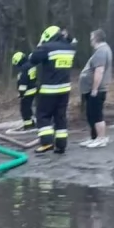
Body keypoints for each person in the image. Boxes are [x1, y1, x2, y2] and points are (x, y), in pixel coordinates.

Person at [28, 25, 78, 154]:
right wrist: (68, 37)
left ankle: (47, 143)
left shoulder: (47, 47)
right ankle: (61, 145)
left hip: (49, 90)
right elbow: (73, 42)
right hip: (64, 90)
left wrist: (40, 45)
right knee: (60, 117)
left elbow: (32, 59)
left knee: (43, 115)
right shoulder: (69, 48)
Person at [79, 28, 112, 148]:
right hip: (92, 89)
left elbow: (99, 71)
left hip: (97, 89)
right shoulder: (101, 50)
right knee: (91, 113)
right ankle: (95, 137)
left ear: (96, 38)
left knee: (96, 114)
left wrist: (94, 89)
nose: (90, 40)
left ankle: (101, 138)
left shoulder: (101, 51)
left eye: (91, 38)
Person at [13, 51, 37, 131]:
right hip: (34, 89)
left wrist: (21, 93)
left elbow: (23, 82)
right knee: (29, 108)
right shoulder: (31, 65)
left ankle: (28, 126)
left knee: (24, 110)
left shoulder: (24, 68)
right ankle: (32, 122)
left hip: (27, 92)